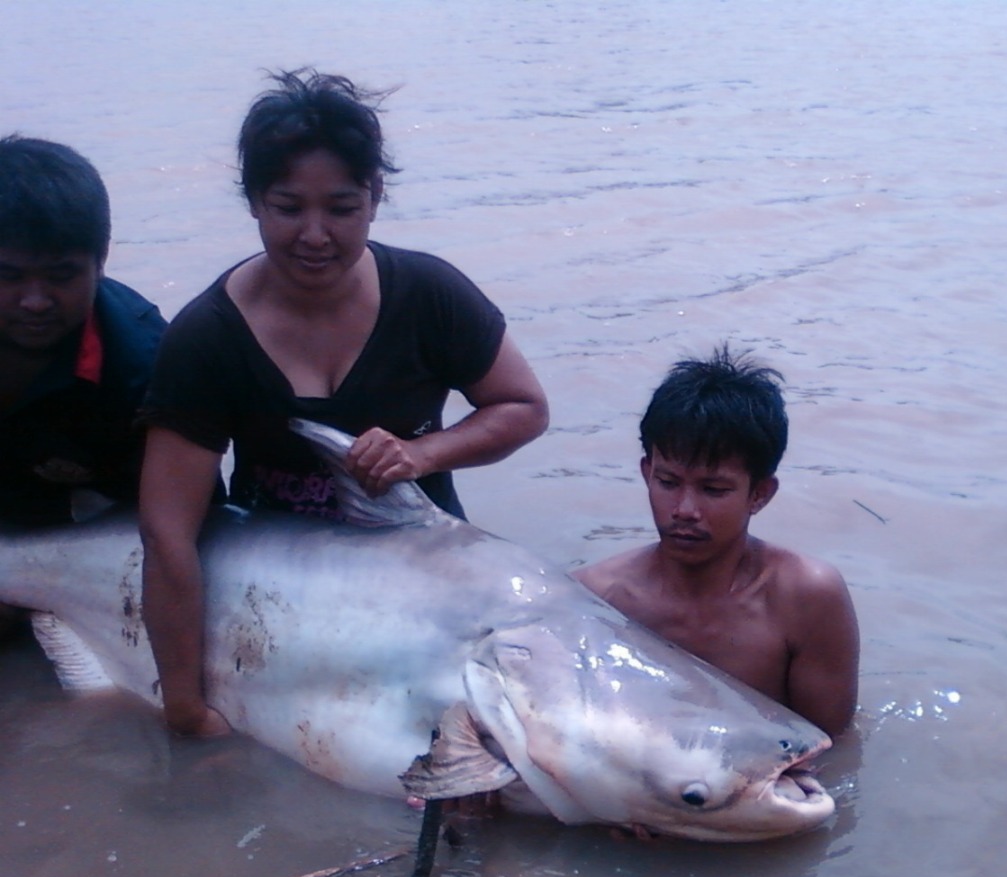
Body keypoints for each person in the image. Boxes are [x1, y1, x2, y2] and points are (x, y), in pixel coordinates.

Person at [138, 70, 549, 737]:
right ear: (253, 203)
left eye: (340, 206)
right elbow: (167, 531)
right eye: (288, 206)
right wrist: (183, 705)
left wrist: (422, 453)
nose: (315, 233)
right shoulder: (207, 336)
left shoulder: (430, 295)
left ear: (375, 197)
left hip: (429, 583)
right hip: (277, 594)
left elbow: (523, 408)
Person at [573, 346, 859, 737]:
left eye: (714, 489)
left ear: (759, 494)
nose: (685, 509)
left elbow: (828, 749)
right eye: (668, 483)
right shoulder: (597, 599)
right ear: (646, 473)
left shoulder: (805, 598)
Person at [0, 135, 168, 637]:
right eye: (8, 276)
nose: (34, 301)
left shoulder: (143, 361)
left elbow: (182, 526)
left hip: (88, 564)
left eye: (61, 275)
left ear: (102, 259)